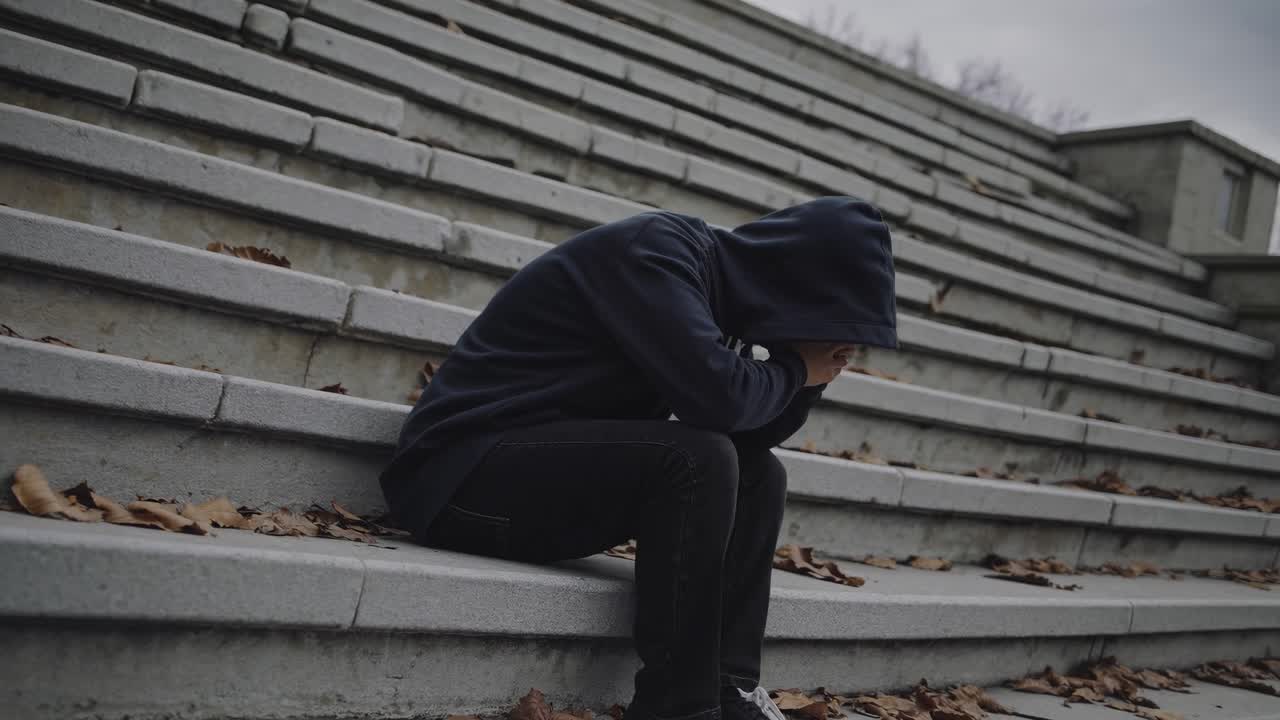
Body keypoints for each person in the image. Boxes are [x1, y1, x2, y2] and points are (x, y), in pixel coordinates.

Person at [380, 196, 898, 720]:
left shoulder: (729, 300)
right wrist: (792, 368)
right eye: (836, 320)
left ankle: (731, 691)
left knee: (758, 474)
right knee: (697, 456)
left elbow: (755, 433)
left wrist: (808, 375)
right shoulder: (656, 253)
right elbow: (716, 396)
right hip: (458, 478)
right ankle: (678, 707)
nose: (840, 337)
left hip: (540, 484)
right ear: (798, 282)